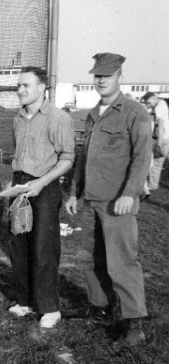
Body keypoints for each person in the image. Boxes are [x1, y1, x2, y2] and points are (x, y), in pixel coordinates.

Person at [65, 53, 152, 346]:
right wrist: (74, 192)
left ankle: (133, 322)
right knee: (89, 259)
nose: (101, 80)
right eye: (98, 75)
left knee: (122, 263)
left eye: (108, 75)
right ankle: (99, 307)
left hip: (117, 203)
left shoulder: (134, 112)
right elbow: (83, 158)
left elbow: (142, 158)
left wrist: (129, 193)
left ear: (120, 77)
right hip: (90, 200)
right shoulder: (92, 114)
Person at [7, 67, 75, 329]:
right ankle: (24, 301)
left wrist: (41, 182)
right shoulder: (18, 117)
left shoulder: (58, 118)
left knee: (44, 247)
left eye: (26, 85)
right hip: (20, 187)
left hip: (45, 188)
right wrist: (18, 182)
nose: (21, 90)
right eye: (19, 86)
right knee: (19, 244)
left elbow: (68, 158)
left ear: (42, 88)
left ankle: (49, 308)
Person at [140, 91, 169, 197]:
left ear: (152, 98)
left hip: (163, 138)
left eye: (148, 102)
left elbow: (161, 124)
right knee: (158, 163)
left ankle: (152, 186)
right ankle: (153, 186)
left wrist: (159, 142)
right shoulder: (162, 103)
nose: (148, 105)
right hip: (167, 137)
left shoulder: (159, 108)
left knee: (155, 163)